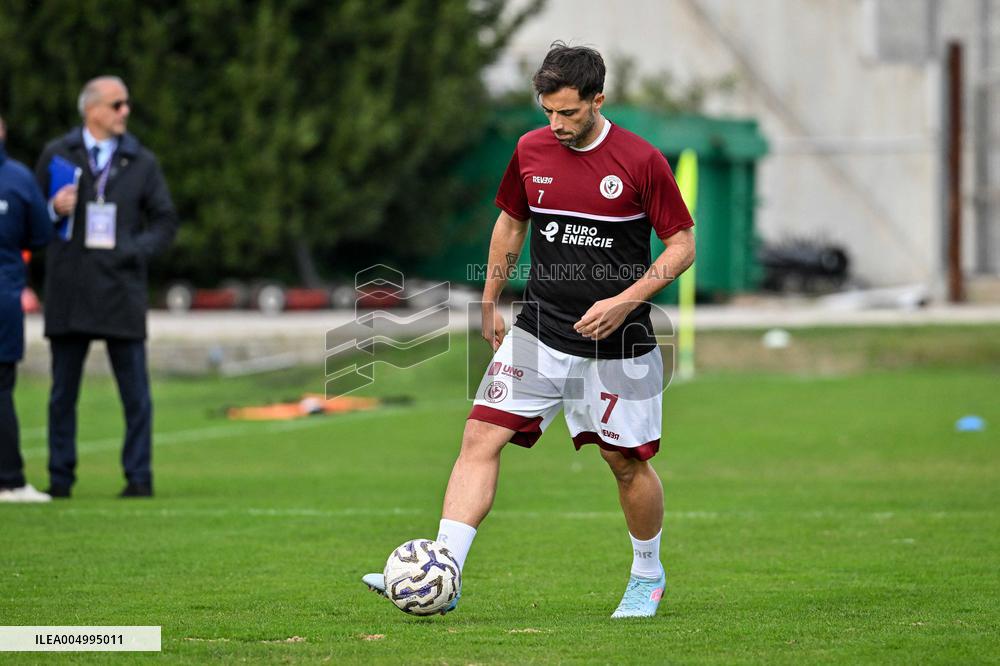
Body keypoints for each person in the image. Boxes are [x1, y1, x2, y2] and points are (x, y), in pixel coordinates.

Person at [363, 43, 695, 617]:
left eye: (568, 112)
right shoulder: (530, 150)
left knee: (625, 464)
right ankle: (441, 573)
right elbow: (511, 226)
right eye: (548, 111)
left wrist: (624, 301)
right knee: (479, 438)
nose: (556, 124)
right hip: (538, 330)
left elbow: (682, 247)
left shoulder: (642, 161)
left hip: (618, 345)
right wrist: (489, 299)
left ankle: (648, 574)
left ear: (598, 99)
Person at [34, 76, 178, 499]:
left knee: (136, 396)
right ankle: (60, 478)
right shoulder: (57, 154)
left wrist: (134, 250)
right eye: (117, 104)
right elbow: (31, 220)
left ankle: (139, 477)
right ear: (92, 109)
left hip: (121, 289)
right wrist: (51, 208)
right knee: (62, 395)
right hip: (70, 290)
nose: (125, 112)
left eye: (126, 104)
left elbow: (165, 221)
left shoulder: (141, 161)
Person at [0, 114, 53, 503]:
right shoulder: (18, 178)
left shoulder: (18, 178)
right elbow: (40, 234)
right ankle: (10, 480)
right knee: (1, 388)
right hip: (4, 294)